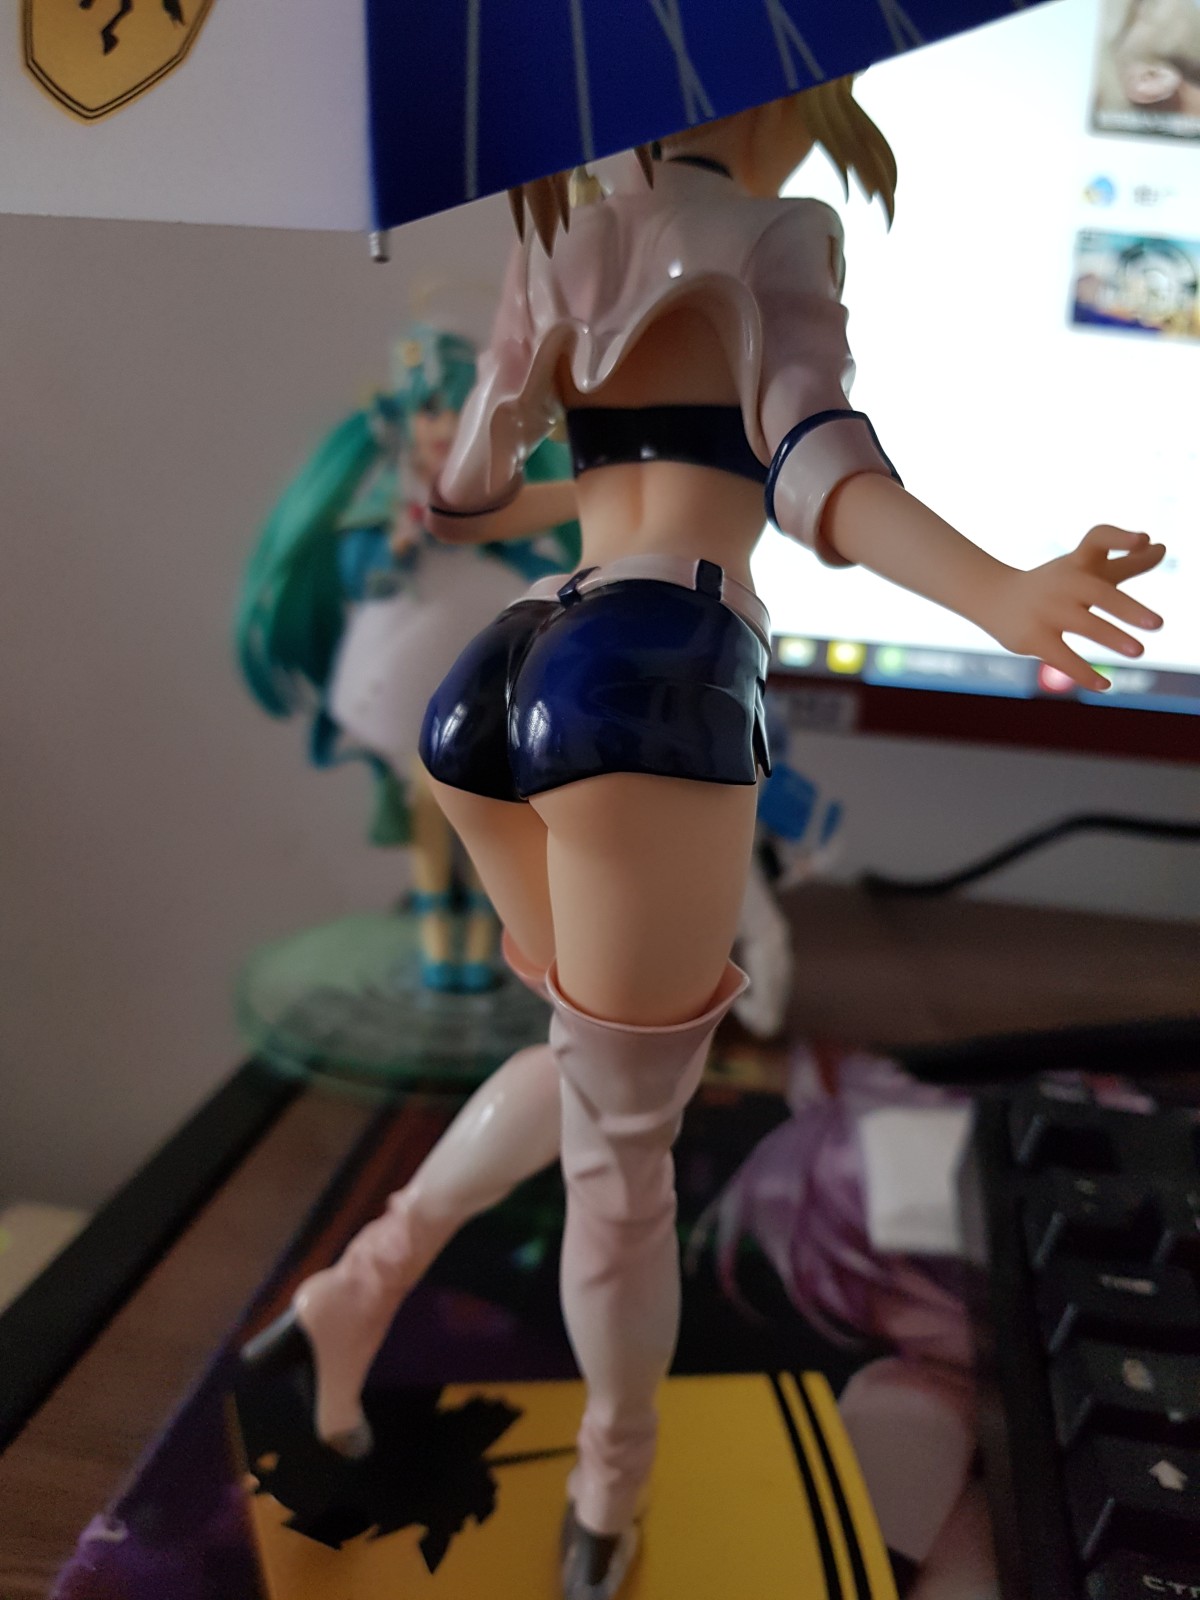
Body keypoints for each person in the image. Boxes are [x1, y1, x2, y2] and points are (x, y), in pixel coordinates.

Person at [245, 77, 1165, 1599]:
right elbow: (817, 468)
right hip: (650, 674)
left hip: (502, 678)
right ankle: (612, 1488)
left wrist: (501, 430)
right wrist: (1001, 593)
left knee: (588, 1068)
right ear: (779, 86)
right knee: (628, 1162)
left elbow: (471, 495)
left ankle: (362, 1283)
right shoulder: (777, 235)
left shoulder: (557, 237)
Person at [235, 324, 579, 990]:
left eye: (458, 410)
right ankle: (437, 937)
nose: (444, 426)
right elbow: (357, 566)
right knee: (431, 803)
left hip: (478, 646)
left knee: (485, 803)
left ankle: (481, 936)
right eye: (430, 410)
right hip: (407, 660)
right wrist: (395, 546)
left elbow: (530, 551)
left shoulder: (494, 493)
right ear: (401, 419)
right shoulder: (386, 508)